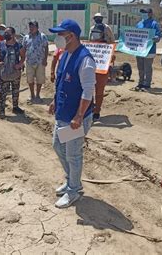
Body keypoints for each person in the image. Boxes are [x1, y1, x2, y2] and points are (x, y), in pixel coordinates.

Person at [48, 19, 96, 208]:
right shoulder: (65, 55)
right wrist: (54, 101)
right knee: (58, 146)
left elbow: (88, 91)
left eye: (61, 34)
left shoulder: (85, 60)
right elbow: (61, 82)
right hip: (63, 113)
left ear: (71, 36)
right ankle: (71, 181)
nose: (58, 37)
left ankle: (74, 190)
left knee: (73, 154)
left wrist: (79, 116)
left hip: (76, 118)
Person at [0, 26, 25, 119]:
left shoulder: (19, 45)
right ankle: (2, 109)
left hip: (15, 72)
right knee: (3, 92)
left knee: (15, 91)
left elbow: (23, 56)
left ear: (13, 34)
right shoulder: (0, 44)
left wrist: (20, 64)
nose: (5, 34)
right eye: (5, 33)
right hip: (4, 72)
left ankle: (15, 107)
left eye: (8, 33)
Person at [89, 12, 115, 120]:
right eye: (97, 18)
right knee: (89, 88)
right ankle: (91, 109)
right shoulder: (91, 28)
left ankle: (97, 111)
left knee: (99, 90)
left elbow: (112, 41)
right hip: (94, 59)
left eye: (99, 18)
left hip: (103, 60)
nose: (98, 20)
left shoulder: (107, 28)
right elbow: (90, 43)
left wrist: (110, 54)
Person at [22, 21, 48, 103]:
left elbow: (46, 47)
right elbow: (23, 49)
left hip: (40, 61)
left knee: (40, 79)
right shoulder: (26, 37)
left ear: (37, 27)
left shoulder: (42, 36)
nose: (31, 28)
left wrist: (45, 59)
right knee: (30, 80)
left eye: (33, 27)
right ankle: (32, 95)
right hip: (29, 62)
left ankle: (38, 95)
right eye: (30, 27)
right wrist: (22, 60)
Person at [135, 8, 161, 91]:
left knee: (147, 67)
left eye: (145, 13)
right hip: (139, 50)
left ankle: (147, 84)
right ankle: (141, 82)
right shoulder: (139, 24)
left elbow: (158, 36)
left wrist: (155, 38)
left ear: (150, 13)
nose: (144, 14)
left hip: (149, 50)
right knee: (140, 67)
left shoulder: (154, 24)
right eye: (142, 13)